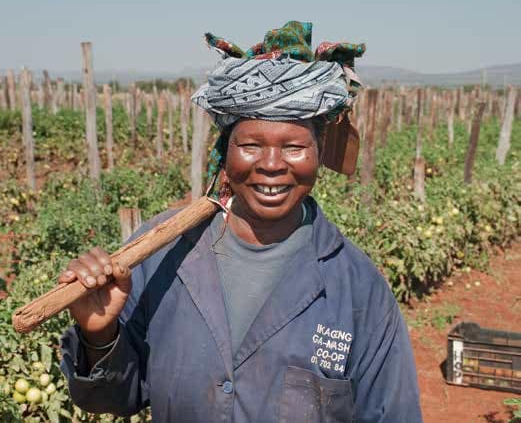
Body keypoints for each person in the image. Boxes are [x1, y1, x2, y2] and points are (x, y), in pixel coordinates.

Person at [59, 21, 423, 422]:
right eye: (250, 145)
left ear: (318, 153)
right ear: (225, 153)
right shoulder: (159, 252)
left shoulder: (358, 288)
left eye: (294, 147)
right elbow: (112, 399)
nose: (271, 165)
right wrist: (99, 336)